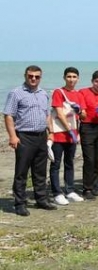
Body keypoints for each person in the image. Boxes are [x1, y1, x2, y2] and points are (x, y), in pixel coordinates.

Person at [4, 65, 55, 215]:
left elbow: (47, 115)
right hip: (24, 136)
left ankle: (41, 199)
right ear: (25, 76)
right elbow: (8, 115)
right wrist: (13, 136)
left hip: (41, 136)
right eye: (30, 76)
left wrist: (51, 131)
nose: (33, 79)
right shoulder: (16, 93)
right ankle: (19, 203)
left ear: (40, 77)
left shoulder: (43, 94)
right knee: (22, 171)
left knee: (40, 171)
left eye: (37, 76)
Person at [49, 67, 85, 205]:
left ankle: (70, 190)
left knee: (69, 163)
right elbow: (59, 113)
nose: (71, 79)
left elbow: (83, 115)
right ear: (64, 77)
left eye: (74, 77)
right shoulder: (59, 92)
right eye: (69, 76)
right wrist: (68, 129)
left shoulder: (79, 94)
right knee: (56, 163)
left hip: (72, 135)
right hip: (59, 134)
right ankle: (57, 192)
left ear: (78, 79)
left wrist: (79, 110)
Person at [78, 70, 98, 199]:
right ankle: (87, 188)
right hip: (87, 127)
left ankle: (93, 185)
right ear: (92, 81)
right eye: (97, 82)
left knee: (97, 158)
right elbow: (82, 112)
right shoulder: (83, 92)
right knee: (89, 159)